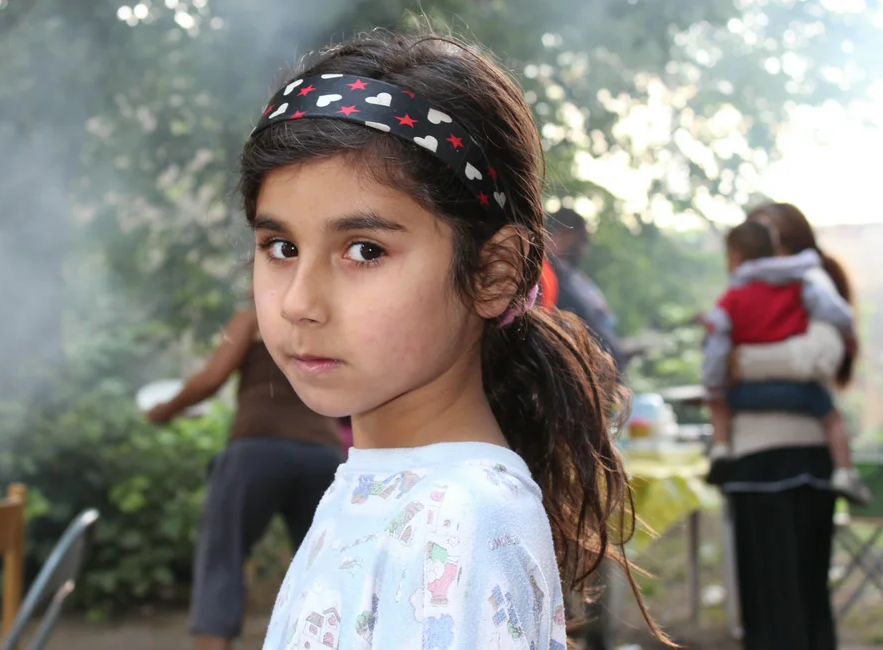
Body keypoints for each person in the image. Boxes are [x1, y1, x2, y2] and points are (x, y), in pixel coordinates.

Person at [240, 32, 665, 648]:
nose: (300, 303)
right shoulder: (388, 485)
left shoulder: (458, 520)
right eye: (282, 248)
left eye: (365, 250)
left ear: (494, 273)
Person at [145, 307, 343, 650]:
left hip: (258, 450)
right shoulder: (331, 316)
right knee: (324, 567)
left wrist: (168, 409)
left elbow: (210, 379)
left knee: (222, 555)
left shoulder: (255, 317)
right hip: (322, 455)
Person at [714, 202, 857, 650]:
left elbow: (819, 358)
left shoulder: (809, 284)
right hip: (751, 457)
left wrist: (742, 362)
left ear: (787, 242)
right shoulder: (751, 285)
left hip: (799, 457)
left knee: (798, 594)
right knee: (764, 597)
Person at [701, 220, 870, 503]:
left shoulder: (730, 299)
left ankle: (720, 448)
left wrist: (714, 384)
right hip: (800, 394)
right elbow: (838, 313)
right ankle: (844, 471)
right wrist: (848, 331)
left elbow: (717, 347)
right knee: (833, 418)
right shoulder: (801, 286)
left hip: (744, 395)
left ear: (734, 257)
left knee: (718, 402)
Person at [545, 207, 629, 371]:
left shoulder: (570, 275)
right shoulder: (542, 276)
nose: (584, 251)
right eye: (581, 240)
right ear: (563, 233)